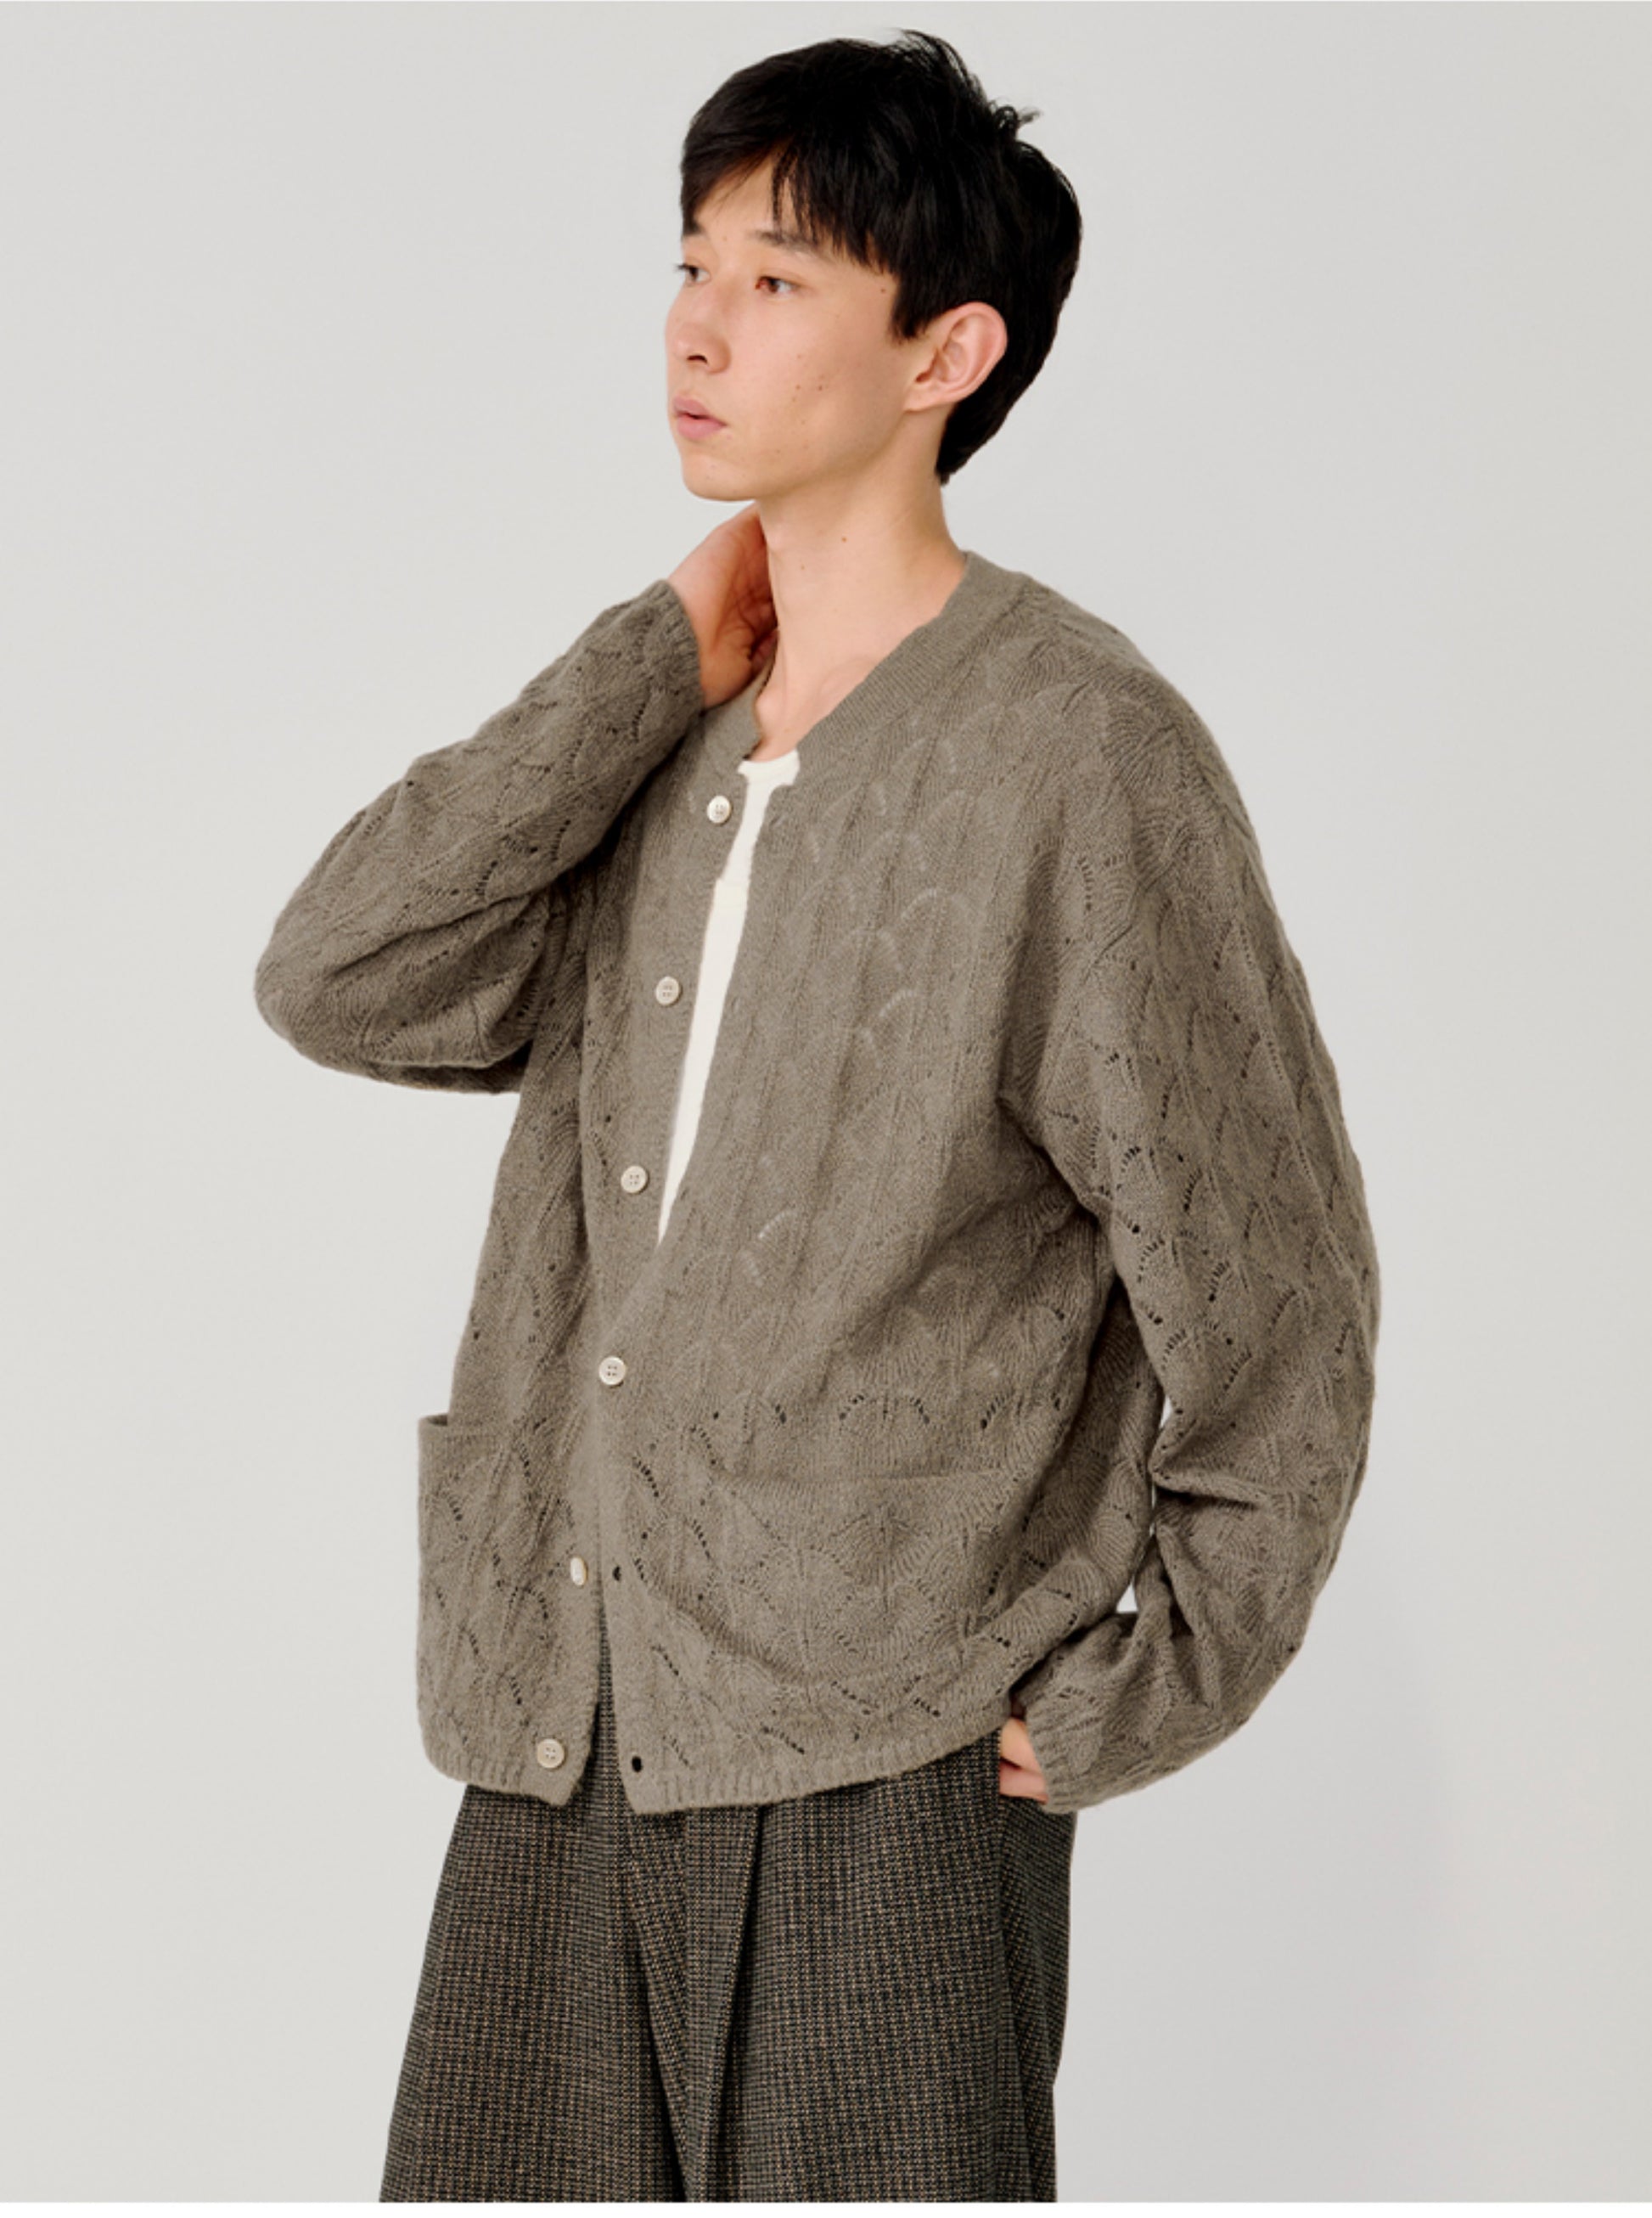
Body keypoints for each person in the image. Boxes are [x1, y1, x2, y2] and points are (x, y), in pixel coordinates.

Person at [252, 28, 1380, 2204]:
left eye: (774, 279)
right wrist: (646, 657)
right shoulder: (659, 739)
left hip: (892, 1740)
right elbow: (338, 973)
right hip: (564, 1705)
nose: (696, 325)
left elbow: (1273, 1277)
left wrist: (1155, 1676)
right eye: (689, 264)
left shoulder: (1078, 752)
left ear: (944, 350)